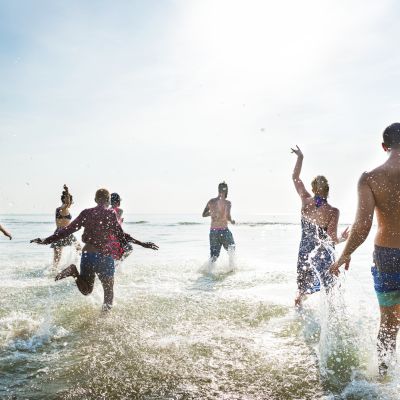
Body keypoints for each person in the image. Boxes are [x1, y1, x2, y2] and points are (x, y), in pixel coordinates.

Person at [330, 123, 400, 375]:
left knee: (389, 324)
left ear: (384, 147)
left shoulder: (371, 178)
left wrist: (345, 253)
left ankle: (384, 379)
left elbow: (362, 225)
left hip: (387, 256)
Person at [31, 188, 158, 311]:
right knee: (108, 292)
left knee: (86, 291)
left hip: (88, 254)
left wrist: (45, 240)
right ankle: (104, 320)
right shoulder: (111, 213)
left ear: (95, 199)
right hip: (105, 256)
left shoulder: (86, 213)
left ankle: (74, 272)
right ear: (108, 200)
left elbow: (68, 230)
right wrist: (142, 243)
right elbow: (121, 235)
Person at [291, 145, 348, 307]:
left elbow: (295, 177)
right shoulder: (333, 212)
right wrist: (343, 239)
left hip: (304, 253)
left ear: (313, 188)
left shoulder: (305, 200)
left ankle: (298, 317)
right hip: (322, 255)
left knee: (301, 291)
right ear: (328, 190)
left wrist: (300, 157)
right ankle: (330, 321)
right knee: (329, 290)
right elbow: (331, 241)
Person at [202, 181, 236, 264]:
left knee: (214, 255)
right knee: (231, 248)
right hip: (224, 231)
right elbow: (228, 216)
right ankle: (231, 268)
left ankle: (209, 271)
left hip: (213, 232)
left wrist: (212, 213)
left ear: (218, 190)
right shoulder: (227, 203)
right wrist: (231, 221)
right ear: (226, 191)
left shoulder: (211, 201)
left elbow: (204, 214)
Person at [51, 185, 81, 268]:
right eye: (71, 201)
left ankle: (56, 270)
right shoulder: (62, 208)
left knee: (57, 257)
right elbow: (67, 203)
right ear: (66, 200)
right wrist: (67, 190)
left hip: (60, 233)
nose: (71, 203)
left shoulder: (60, 209)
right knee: (78, 249)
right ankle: (78, 266)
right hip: (64, 232)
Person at [109, 192, 133, 261]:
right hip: (116, 237)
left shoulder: (107, 210)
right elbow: (117, 225)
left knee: (113, 254)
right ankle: (118, 263)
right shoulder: (119, 211)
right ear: (118, 201)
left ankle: (116, 264)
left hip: (109, 236)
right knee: (129, 248)